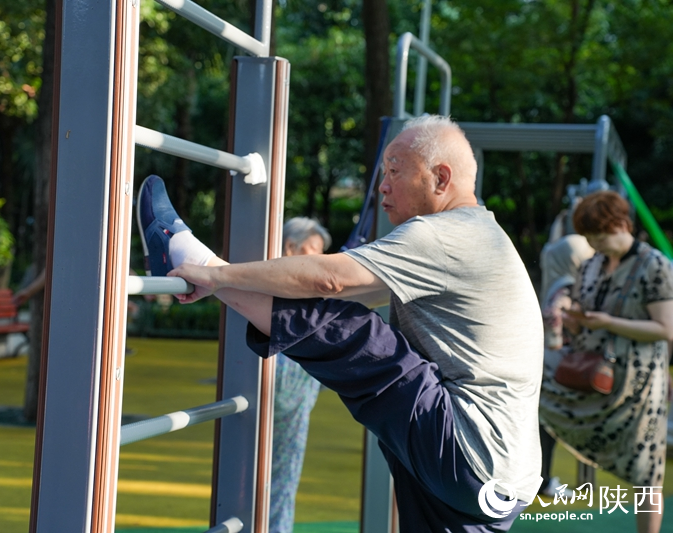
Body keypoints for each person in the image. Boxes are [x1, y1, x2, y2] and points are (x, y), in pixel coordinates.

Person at [137, 114, 544, 531]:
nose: (383, 185)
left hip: (467, 447)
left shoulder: (445, 234)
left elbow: (329, 280)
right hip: (504, 482)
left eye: (395, 171)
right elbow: (345, 290)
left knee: (363, 340)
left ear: (441, 179)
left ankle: (191, 258)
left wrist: (217, 275)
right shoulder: (484, 237)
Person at [539, 191, 673, 533]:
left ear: (621, 224)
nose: (595, 243)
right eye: (589, 237)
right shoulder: (592, 263)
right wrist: (566, 310)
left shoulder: (654, 265)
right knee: (532, 384)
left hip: (639, 385)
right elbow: (583, 310)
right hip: (591, 370)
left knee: (648, 470)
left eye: (600, 234)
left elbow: (665, 329)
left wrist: (608, 323)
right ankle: (532, 482)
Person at [270, 217, 331, 533]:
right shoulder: (279, 285)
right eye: (312, 252)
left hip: (297, 394)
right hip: (282, 391)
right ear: (289, 248)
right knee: (278, 476)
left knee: (285, 478)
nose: (318, 262)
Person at [536, 234, 594, 497]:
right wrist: (558, 339)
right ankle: (545, 480)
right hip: (560, 369)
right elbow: (553, 314)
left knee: (542, 425)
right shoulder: (569, 285)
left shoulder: (554, 276)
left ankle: (542, 479)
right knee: (550, 426)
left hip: (545, 366)